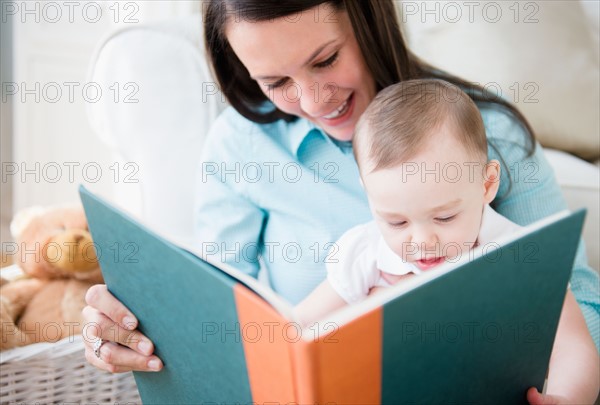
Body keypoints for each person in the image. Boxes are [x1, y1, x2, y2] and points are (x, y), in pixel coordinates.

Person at [82, 1, 599, 403]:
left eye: (325, 60)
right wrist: (141, 329)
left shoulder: (491, 140)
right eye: (276, 82)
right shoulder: (242, 149)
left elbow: (576, 311)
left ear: (368, 19)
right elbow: (225, 316)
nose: (313, 101)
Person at [294, 79, 523, 325]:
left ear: (486, 185)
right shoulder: (365, 255)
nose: (422, 242)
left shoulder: (517, 252)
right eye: (397, 222)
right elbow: (295, 329)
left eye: (444, 217)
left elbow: (568, 346)